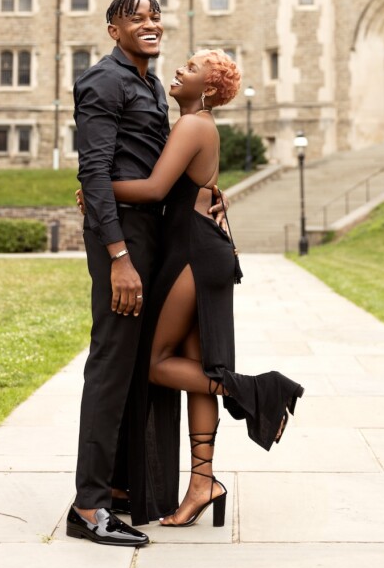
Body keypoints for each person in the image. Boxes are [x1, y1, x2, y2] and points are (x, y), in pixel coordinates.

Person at [108, 49, 304, 528]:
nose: (179, 70)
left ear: (209, 90)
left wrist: (99, 189)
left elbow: (154, 190)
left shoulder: (194, 125)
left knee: (156, 365)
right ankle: (202, 482)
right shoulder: (194, 127)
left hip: (194, 255)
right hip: (197, 250)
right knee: (194, 368)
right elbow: (193, 189)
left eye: (192, 69)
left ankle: (260, 391)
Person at [66, 0, 226, 549]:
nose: (149, 23)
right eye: (135, 17)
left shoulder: (152, 85)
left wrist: (208, 190)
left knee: (137, 366)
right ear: (114, 30)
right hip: (123, 238)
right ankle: (89, 506)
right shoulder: (102, 82)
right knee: (111, 365)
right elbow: (95, 168)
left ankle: (122, 488)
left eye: (155, 15)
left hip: (153, 235)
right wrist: (118, 258)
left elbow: (160, 166)